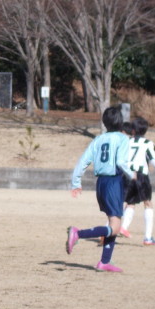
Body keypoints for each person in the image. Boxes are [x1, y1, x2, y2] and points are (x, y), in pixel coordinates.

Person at [66, 106, 135, 272]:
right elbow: (120, 162)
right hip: (114, 182)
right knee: (116, 226)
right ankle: (78, 233)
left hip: (101, 183)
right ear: (120, 122)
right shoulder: (122, 139)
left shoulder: (98, 139)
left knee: (114, 224)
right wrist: (132, 175)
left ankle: (104, 262)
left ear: (105, 123)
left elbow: (83, 161)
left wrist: (76, 183)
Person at [119, 117, 155, 245]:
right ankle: (148, 237)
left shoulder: (127, 142)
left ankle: (118, 228)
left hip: (128, 175)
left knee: (128, 202)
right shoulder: (148, 143)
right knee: (148, 203)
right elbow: (153, 160)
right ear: (145, 130)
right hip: (141, 176)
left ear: (133, 130)